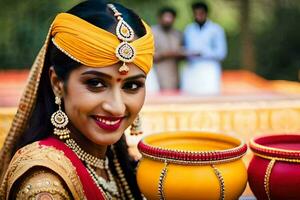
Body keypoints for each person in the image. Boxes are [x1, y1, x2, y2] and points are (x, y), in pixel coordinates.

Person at [0, 0, 154, 199]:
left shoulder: (115, 160)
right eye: (96, 83)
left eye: (131, 86)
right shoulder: (43, 182)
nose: (116, 107)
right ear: (57, 83)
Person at [182, 2, 227, 95]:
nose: (198, 16)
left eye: (201, 13)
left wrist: (202, 53)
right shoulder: (189, 29)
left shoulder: (216, 29)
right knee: (191, 96)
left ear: (206, 13)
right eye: (196, 14)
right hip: (192, 69)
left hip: (209, 69)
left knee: (210, 95)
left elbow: (221, 53)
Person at [147, 7, 184, 92]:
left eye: (170, 17)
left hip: (174, 72)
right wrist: (165, 54)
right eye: (165, 17)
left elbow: (182, 53)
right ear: (159, 18)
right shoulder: (151, 32)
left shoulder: (177, 34)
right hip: (156, 72)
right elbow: (146, 55)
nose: (168, 20)